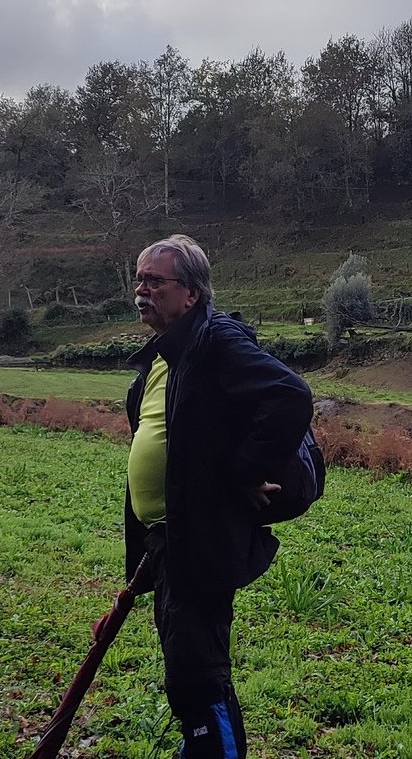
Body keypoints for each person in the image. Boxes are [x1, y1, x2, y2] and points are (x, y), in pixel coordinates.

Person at [117, 233, 312, 758]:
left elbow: (290, 396)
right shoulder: (161, 358)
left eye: (155, 281)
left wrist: (245, 471)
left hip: (200, 541)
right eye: (139, 279)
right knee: (192, 674)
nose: (142, 290)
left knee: (198, 678)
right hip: (169, 542)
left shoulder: (214, 342)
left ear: (191, 294)